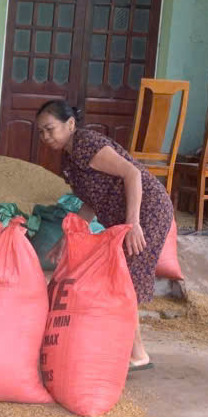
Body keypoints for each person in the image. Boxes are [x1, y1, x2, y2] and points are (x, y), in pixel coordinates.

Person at [34, 100, 172, 371]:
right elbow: (90, 202)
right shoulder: (70, 157)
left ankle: (138, 354)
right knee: (118, 279)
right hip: (124, 215)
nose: (45, 136)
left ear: (70, 124)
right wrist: (67, 238)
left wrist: (133, 223)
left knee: (126, 281)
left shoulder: (86, 143)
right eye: (41, 132)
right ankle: (131, 350)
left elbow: (133, 174)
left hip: (146, 211)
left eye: (50, 129)